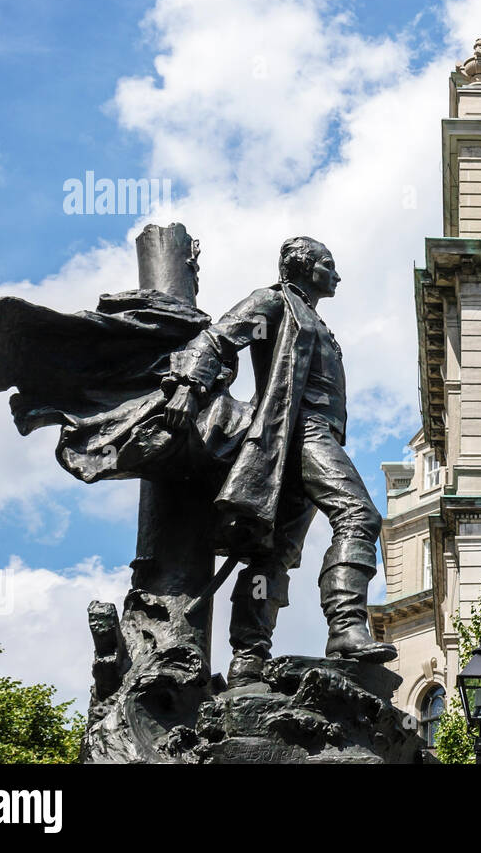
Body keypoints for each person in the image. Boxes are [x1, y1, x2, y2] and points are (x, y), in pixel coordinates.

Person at [162, 236, 396, 685]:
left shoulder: (314, 319)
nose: (337, 274)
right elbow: (218, 339)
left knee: (273, 557)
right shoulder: (272, 302)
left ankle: (248, 660)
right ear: (304, 266)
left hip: (313, 437)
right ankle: (346, 627)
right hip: (297, 432)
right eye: (329, 264)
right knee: (359, 515)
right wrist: (189, 387)